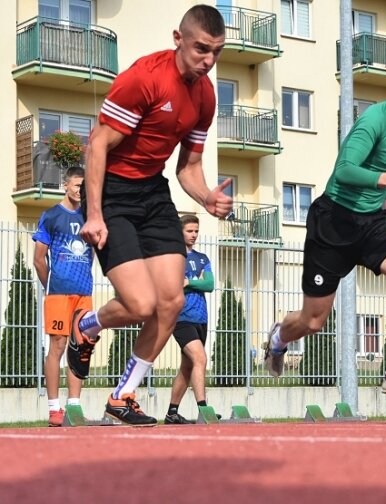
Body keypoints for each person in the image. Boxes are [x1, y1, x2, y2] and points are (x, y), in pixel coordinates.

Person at [67, 5, 232, 426]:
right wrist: (96, 214)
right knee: (141, 304)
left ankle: (121, 396)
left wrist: (206, 196)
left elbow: (188, 168)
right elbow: (97, 146)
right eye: (201, 49)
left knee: (172, 301)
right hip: (114, 192)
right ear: (179, 39)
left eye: (216, 52)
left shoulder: (206, 95)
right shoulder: (145, 78)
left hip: (154, 192)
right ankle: (86, 325)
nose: (208, 61)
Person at [264, 60, 386, 398]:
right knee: (313, 321)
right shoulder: (374, 120)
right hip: (334, 221)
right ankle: (278, 338)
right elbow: (345, 170)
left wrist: (382, 205)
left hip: (372, 223)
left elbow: (377, 169)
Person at [32, 167, 93, 427]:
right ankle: (54, 408)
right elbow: (38, 259)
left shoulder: (91, 217)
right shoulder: (51, 216)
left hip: (85, 293)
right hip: (58, 293)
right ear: (65, 185)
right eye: (77, 185)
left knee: (81, 348)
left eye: (84, 186)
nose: (81, 190)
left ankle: (74, 407)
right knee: (57, 346)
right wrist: (51, 286)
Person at [165, 215, 214, 424]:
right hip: (181, 318)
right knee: (200, 359)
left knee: (187, 367)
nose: (194, 235)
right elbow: (172, 283)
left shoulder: (202, 258)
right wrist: (196, 281)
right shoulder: (172, 258)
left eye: (196, 231)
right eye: (189, 231)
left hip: (201, 318)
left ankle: (171, 413)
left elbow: (209, 284)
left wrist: (189, 282)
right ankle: (203, 409)